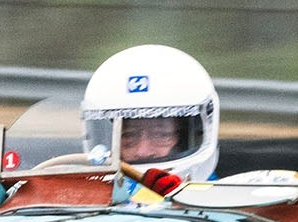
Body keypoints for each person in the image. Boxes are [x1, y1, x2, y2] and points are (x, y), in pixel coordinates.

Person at [80, 44, 220, 196]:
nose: (143, 151)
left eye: (161, 135)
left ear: (189, 136)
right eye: (129, 135)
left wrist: (177, 198)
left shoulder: (219, 202)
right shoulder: (86, 197)